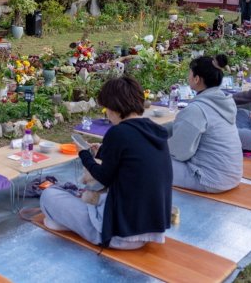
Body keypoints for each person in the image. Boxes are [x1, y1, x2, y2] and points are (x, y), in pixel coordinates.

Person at [40, 77, 171, 249]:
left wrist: (84, 154)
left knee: (49, 196)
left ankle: (74, 225)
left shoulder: (119, 133)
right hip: (151, 230)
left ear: (115, 107)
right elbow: (130, 160)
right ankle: (70, 223)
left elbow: (103, 178)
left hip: (118, 233)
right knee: (78, 199)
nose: (106, 113)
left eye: (107, 108)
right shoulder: (155, 130)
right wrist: (102, 151)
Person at [168, 55, 242, 193]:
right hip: (232, 176)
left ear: (197, 79)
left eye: (190, 73)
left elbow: (179, 153)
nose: (188, 76)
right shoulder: (223, 101)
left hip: (210, 180)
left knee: (146, 158)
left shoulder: (197, 109)